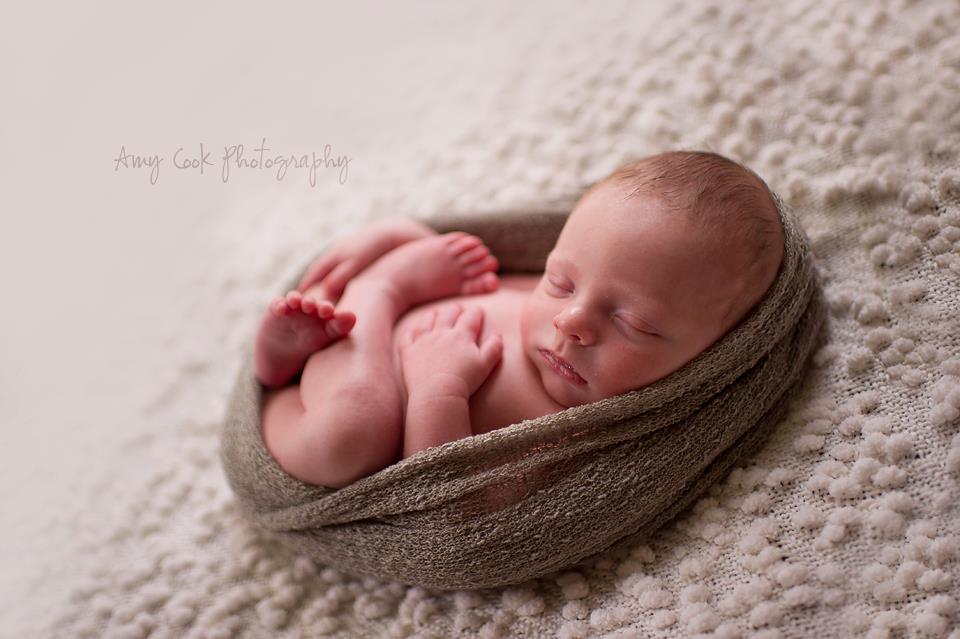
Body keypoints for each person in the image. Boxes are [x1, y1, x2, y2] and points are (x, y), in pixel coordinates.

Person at [253, 151, 785, 488]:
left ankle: (303, 361)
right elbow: (474, 267)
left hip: (361, 379)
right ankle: (344, 304)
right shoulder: (563, 299)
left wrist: (440, 391)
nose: (571, 320)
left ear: (715, 357)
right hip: (355, 338)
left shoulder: (579, 439)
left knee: (350, 437)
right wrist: (404, 239)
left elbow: (453, 499)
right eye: (560, 281)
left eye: (636, 324)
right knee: (438, 259)